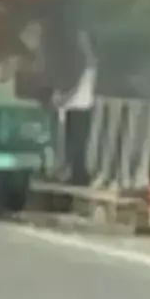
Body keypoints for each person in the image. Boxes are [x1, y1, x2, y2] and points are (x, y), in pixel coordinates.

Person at [56, 30, 97, 186]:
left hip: (79, 108)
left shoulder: (86, 66)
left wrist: (63, 100)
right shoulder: (82, 65)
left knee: (76, 144)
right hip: (76, 108)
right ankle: (76, 175)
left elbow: (74, 87)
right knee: (74, 144)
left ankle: (79, 176)